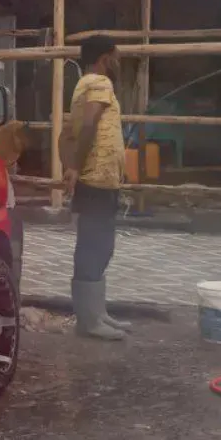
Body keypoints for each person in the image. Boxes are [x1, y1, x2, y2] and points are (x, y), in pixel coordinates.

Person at [61, 34, 126, 340]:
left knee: (100, 245)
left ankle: (96, 313)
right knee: (95, 245)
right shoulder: (100, 83)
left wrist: (72, 164)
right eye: (116, 55)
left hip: (101, 177)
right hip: (97, 177)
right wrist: (74, 166)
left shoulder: (84, 85)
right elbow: (87, 126)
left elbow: (67, 134)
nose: (119, 61)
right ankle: (88, 321)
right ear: (103, 59)